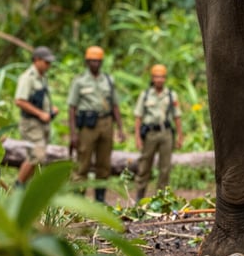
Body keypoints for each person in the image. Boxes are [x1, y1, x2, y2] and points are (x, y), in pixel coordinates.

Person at [67, 45, 125, 202]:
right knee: (82, 163)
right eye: (92, 61)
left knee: (104, 164)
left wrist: (120, 128)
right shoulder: (79, 81)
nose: (95, 64)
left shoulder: (108, 80)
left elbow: (115, 105)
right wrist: (73, 134)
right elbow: (72, 108)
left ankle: (100, 199)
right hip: (87, 126)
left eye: (98, 61)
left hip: (106, 123)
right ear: (87, 62)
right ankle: (78, 200)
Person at [133, 64, 182, 202]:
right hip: (150, 134)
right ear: (152, 78)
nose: (159, 79)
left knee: (165, 167)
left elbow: (177, 116)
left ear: (165, 78)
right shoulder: (146, 95)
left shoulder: (171, 95)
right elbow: (138, 117)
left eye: (162, 77)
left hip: (166, 133)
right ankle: (139, 197)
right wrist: (137, 137)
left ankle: (161, 198)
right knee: (144, 165)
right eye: (156, 77)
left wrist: (180, 136)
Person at [14, 46, 59, 186]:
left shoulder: (42, 77)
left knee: (35, 157)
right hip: (31, 124)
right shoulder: (28, 78)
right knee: (37, 156)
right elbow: (19, 101)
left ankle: (23, 186)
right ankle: (18, 185)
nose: (48, 65)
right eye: (46, 62)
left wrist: (50, 110)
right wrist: (40, 113)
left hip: (41, 124)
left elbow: (38, 99)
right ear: (37, 60)